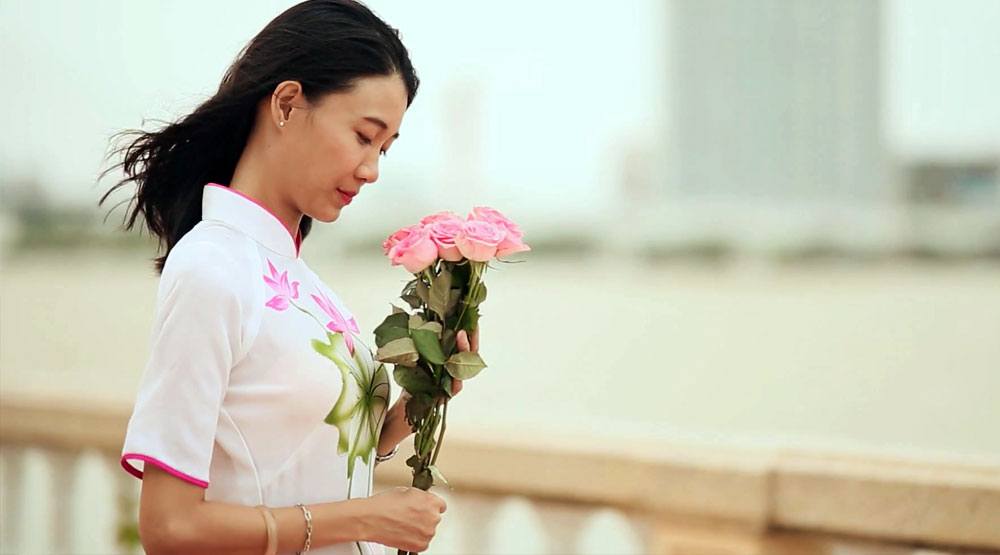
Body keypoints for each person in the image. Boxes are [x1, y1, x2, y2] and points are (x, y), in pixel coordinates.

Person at [98, 1, 477, 553]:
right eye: (363, 136)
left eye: (385, 148)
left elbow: (298, 460)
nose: (372, 169)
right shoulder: (212, 267)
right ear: (287, 103)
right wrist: (363, 520)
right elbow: (169, 527)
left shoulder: (300, 282)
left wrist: (420, 401)